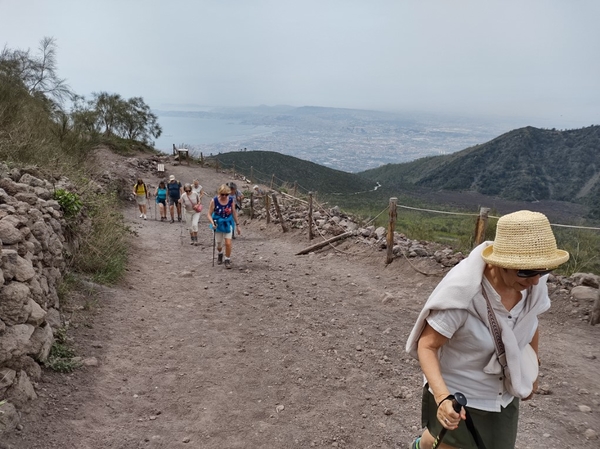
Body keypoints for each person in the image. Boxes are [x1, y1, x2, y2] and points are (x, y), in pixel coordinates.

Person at [405, 210, 569, 449]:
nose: (535, 280)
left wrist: (532, 372)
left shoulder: (534, 285)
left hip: (504, 393)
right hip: (460, 394)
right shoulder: (462, 296)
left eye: (543, 271)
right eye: (525, 271)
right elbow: (427, 345)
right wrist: (442, 398)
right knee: (451, 445)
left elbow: (530, 323)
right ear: (497, 263)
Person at [207, 184, 241, 269]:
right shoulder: (214, 201)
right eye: (223, 194)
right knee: (219, 244)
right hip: (218, 223)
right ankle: (220, 253)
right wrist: (212, 222)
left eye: (226, 194)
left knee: (228, 243)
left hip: (228, 223)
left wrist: (237, 225)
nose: (224, 196)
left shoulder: (231, 200)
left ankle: (227, 259)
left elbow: (233, 212)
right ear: (219, 193)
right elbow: (209, 214)